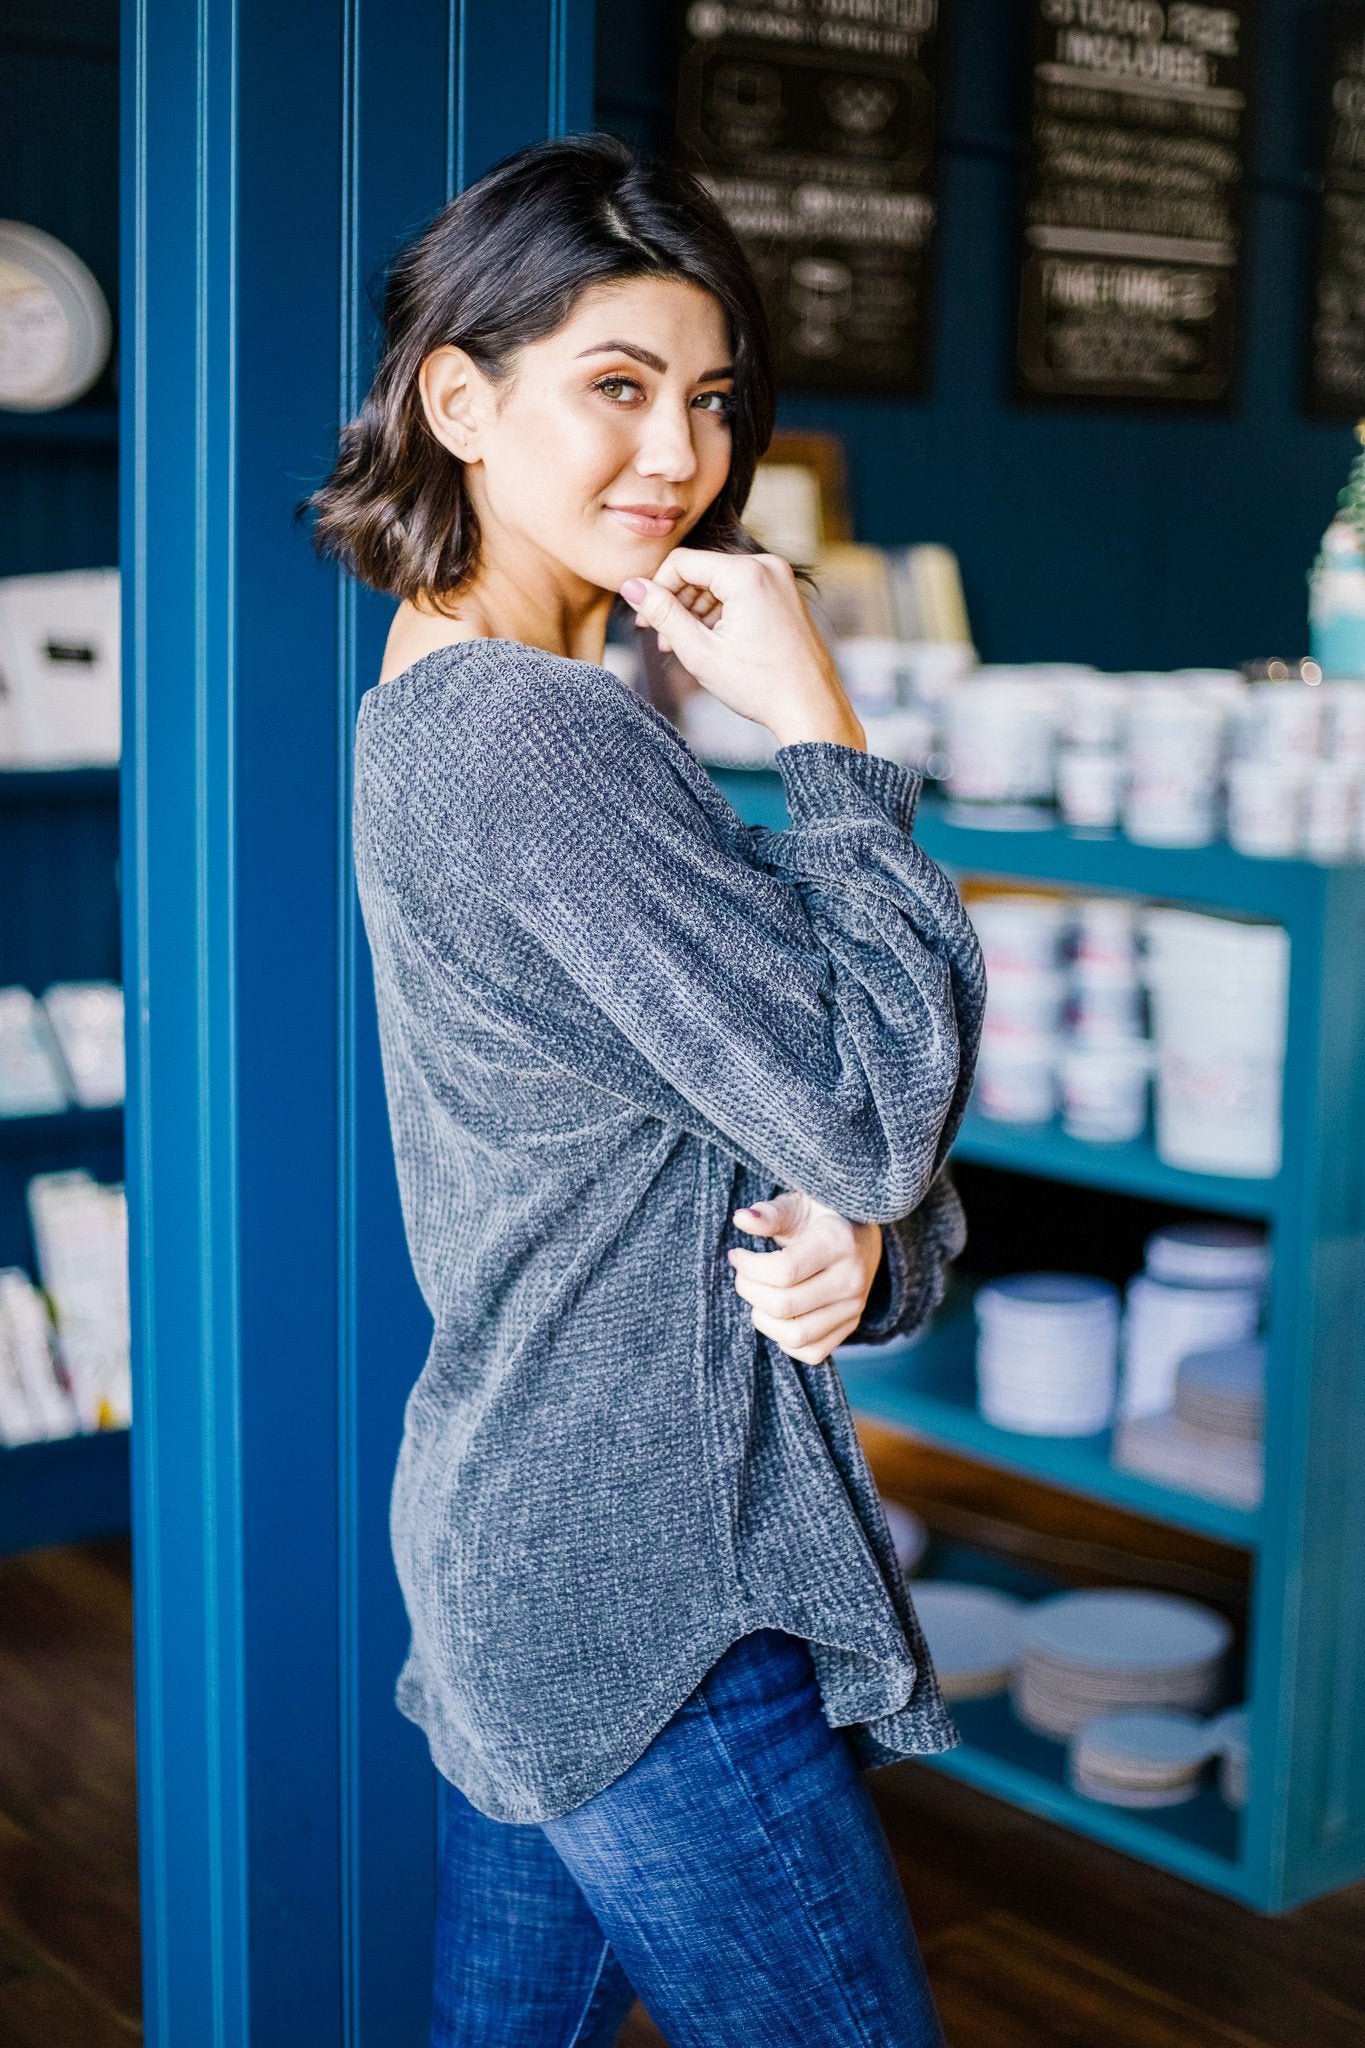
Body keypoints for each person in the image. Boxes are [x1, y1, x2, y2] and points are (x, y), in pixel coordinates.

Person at [305, 131, 985, 2048]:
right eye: (612, 388)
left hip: (540, 1537)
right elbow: (866, 1105)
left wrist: (873, 1236)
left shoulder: (461, 695)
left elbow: (780, 1129)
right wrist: (826, 730)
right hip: (648, 1584)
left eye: (706, 399)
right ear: (458, 396)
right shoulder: (526, 735)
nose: (676, 456)